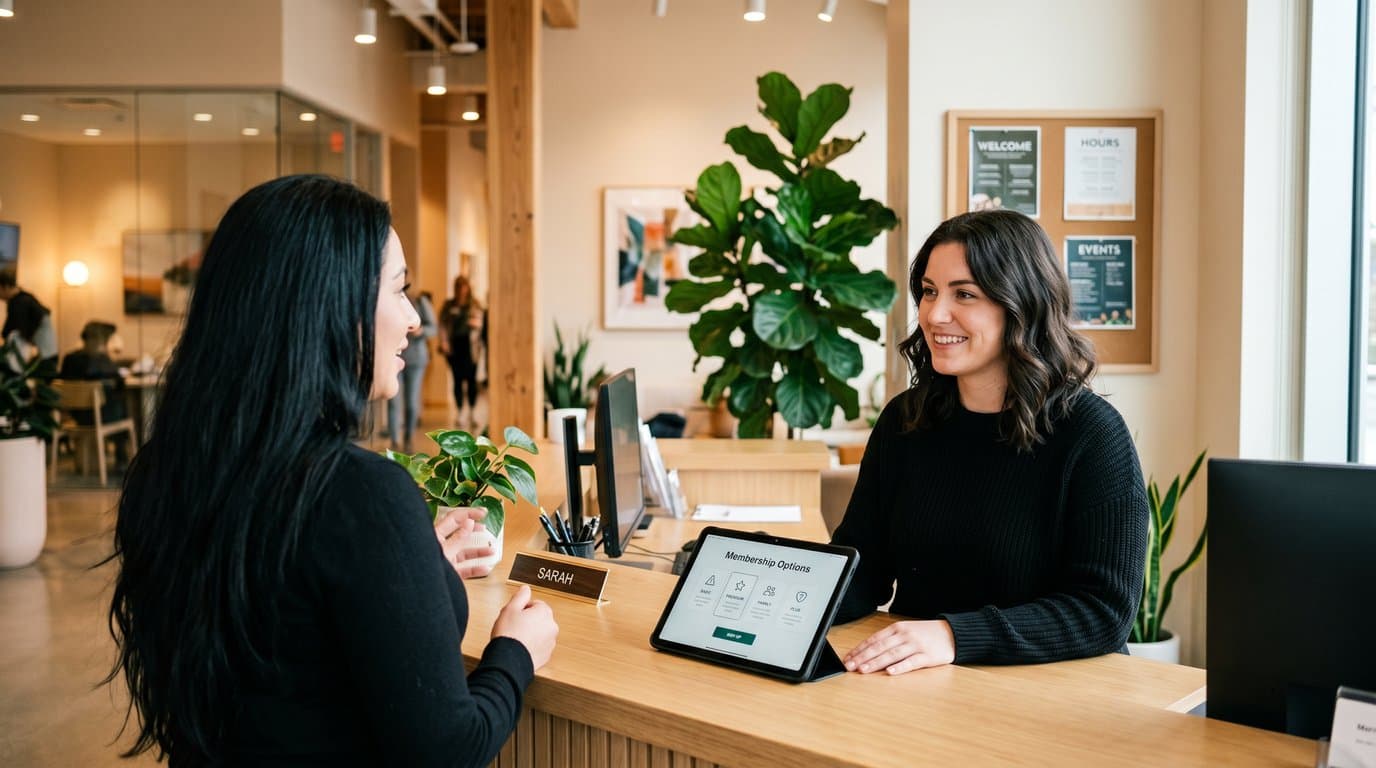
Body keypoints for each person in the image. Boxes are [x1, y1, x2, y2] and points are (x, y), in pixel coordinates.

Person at [106, 175, 558, 766]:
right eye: (398, 291)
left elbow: (288, 633)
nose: (414, 321)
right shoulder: (360, 495)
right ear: (330, 304)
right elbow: (448, 749)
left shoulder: (166, 472)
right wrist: (514, 652)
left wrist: (409, 572)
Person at [831, 209, 1148, 676]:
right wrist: (778, 588)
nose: (936, 314)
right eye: (929, 291)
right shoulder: (905, 420)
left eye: (965, 294)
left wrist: (954, 634)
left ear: (1022, 304)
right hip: (924, 685)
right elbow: (864, 567)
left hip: (1053, 696)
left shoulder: (1092, 434)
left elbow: (1104, 611)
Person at [387, 289, 437, 453]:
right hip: (393, 356)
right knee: (393, 401)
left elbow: (433, 328)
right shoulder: (388, 299)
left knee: (411, 402)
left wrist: (421, 331)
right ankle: (394, 441)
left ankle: (408, 437)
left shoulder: (420, 301)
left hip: (416, 359)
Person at [439, 275, 483, 429]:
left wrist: (475, 323)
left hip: (470, 349)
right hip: (455, 348)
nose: (462, 290)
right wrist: (444, 342)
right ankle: (460, 412)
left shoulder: (474, 304)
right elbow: (443, 325)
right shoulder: (449, 305)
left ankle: (472, 412)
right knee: (457, 381)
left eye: (464, 286)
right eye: (459, 287)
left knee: (471, 381)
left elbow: (481, 323)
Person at [0, 267, 58, 368]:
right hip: (47, 355)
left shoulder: (19, 303)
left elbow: (14, 332)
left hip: (41, 358)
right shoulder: (26, 299)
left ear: (5, 286)